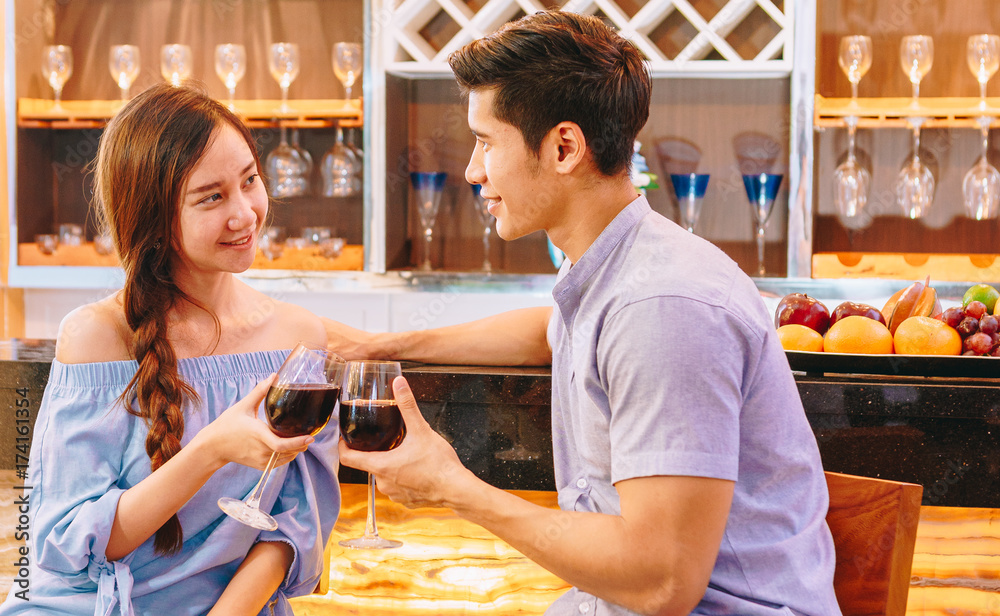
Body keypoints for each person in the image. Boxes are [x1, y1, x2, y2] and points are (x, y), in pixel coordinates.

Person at [326, 10, 842, 616]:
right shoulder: (616, 266)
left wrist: (452, 488)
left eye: (486, 142)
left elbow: (661, 582)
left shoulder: (662, 307)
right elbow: (547, 333)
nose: (472, 170)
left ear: (564, 147)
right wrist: (383, 345)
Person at [0, 83, 339, 615]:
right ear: (153, 217)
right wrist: (211, 450)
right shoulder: (96, 335)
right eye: (211, 196)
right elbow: (66, 542)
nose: (245, 213)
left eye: (250, 180)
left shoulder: (298, 338)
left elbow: (298, 524)